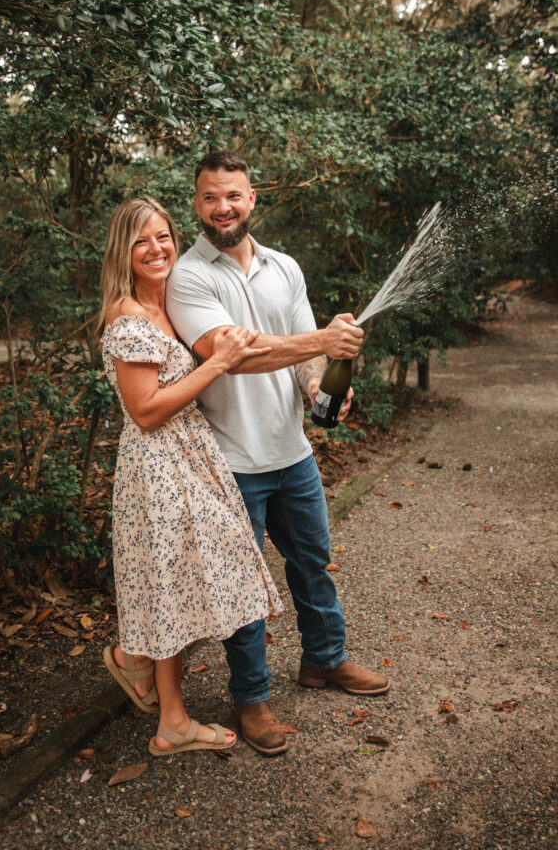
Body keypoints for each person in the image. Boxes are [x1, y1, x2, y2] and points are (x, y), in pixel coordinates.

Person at [165, 150, 390, 758]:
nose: (222, 208)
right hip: (231, 461)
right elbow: (229, 353)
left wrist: (318, 385)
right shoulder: (188, 276)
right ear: (197, 203)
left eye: (232, 195)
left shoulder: (283, 267)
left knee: (313, 563)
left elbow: (302, 355)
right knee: (243, 588)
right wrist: (320, 339)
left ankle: (325, 661)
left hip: (292, 455)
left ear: (252, 198)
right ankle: (253, 698)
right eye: (210, 197)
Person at [98, 195, 283, 757]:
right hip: (157, 466)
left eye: (163, 237)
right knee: (180, 577)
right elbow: (147, 410)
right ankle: (170, 717)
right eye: (141, 241)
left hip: (187, 458)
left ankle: (137, 662)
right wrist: (218, 364)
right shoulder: (128, 317)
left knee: (181, 579)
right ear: (123, 253)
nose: (156, 249)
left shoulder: (167, 309)